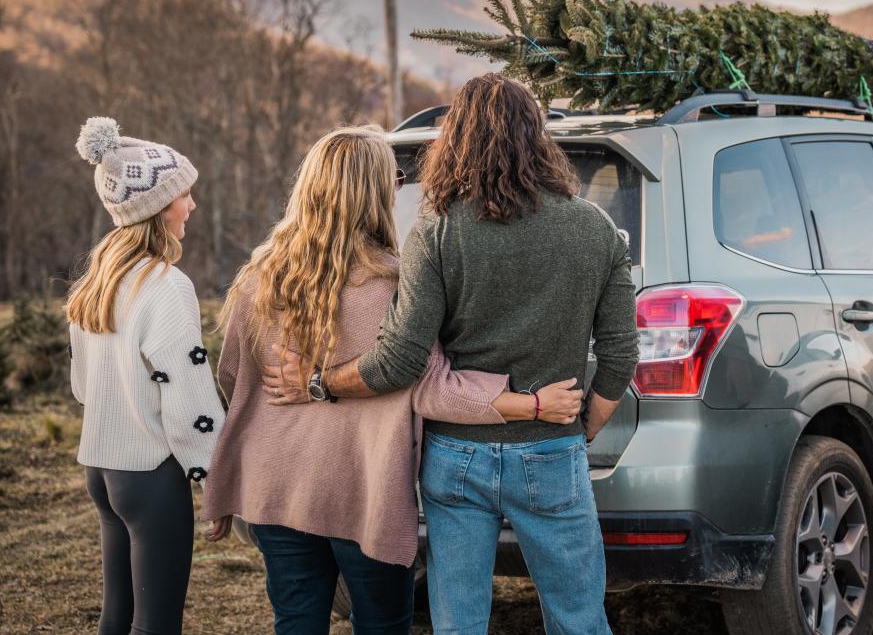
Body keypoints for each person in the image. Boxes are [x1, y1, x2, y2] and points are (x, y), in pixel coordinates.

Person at [265, 75, 640, 635]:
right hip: (551, 451)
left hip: (456, 456)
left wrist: (319, 383)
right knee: (579, 621)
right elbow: (619, 357)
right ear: (538, 137)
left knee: (458, 625)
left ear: (456, 139)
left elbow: (400, 361)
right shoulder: (595, 228)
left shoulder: (436, 231)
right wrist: (582, 427)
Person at [201, 125, 583, 635]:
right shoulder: (393, 286)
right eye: (395, 180)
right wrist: (529, 405)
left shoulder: (259, 278)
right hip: (362, 491)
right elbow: (432, 387)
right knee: (382, 624)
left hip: (274, 484)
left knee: (295, 621)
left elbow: (233, 379)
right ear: (376, 193)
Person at [67, 117, 230, 635]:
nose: (192, 206)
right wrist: (216, 481)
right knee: (156, 625)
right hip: (151, 474)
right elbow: (189, 399)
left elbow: (81, 386)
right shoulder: (166, 284)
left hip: (103, 469)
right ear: (157, 207)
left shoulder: (96, 279)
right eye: (185, 195)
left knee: (116, 617)